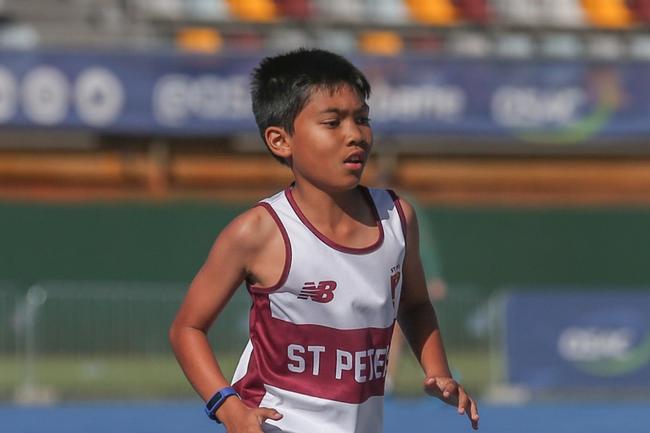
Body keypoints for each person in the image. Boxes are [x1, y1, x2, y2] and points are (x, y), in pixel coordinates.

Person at [169, 48, 479, 433]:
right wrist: (228, 408)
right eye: (332, 123)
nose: (355, 135)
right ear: (281, 141)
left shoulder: (398, 218)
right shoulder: (259, 232)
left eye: (362, 119)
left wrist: (438, 372)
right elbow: (187, 329)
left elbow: (414, 306)